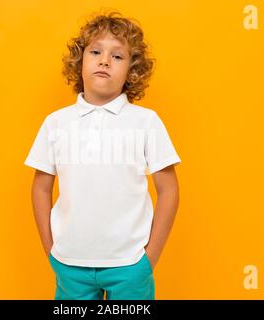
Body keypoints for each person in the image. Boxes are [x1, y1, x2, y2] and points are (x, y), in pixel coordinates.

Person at [24, 10, 181, 300]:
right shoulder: (56, 123)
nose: (105, 60)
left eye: (118, 56)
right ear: (80, 61)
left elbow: (169, 190)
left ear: (131, 71)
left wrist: (149, 260)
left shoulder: (146, 121)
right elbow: (41, 187)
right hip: (69, 264)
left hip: (130, 265)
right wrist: (52, 252)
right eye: (95, 51)